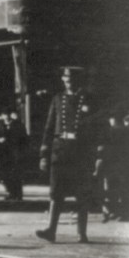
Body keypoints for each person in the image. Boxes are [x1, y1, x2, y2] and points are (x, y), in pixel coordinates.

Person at [36, 66, 98, 243]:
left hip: (80, 151)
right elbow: (49, 128)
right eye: (66, 78)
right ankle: (51, 230)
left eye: (72, 78)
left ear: (79, 80)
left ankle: (81, 233)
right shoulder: (57, 99)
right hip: (60, 150)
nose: (68, 80)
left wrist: (95, 153)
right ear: (63, 80)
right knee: (56, 192)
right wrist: (44, 154)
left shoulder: (89, 99)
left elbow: (96, 128)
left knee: (81, 193)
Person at [97, 113, 129, 223]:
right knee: (124, 190)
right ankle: (125, 214)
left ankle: (114, 212)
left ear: (112, 120)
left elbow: (104, 148)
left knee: (112, 189)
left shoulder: (110, 131)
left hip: (112, 164)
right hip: (126, 165)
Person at [1, 108, 28, 201]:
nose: (6, 117)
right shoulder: (0, 126)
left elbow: (24, 139)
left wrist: (22, 152)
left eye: (8, 114)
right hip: (4, 155)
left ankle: (18, 194)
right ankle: (11, 193)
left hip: (16, 154)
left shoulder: (18, 125)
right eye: (4, 115)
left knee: (16, 174)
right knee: (6, 175)